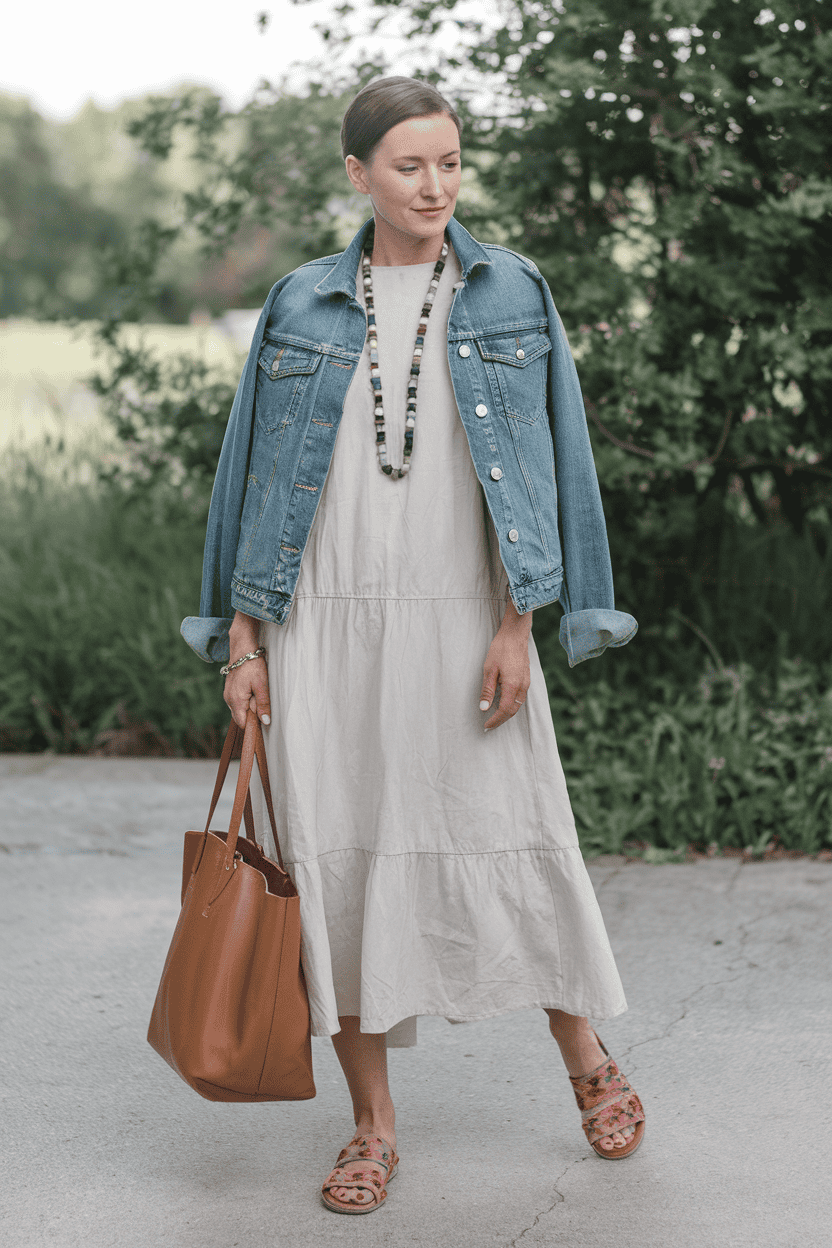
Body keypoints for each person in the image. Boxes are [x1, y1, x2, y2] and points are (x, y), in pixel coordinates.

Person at [181, 76, 645, 1214]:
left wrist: (518, 621)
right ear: (357, 176)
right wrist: (241, 643)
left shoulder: (509, 294)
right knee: (339, 864)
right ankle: (372, 1127)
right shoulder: (297, 305)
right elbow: (246, 481)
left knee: (510, 834)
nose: (434, 185)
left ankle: (586, 1061)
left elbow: (552, 465)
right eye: (407, 165)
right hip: (321, 625)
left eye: (448, 161)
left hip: (460, 619)